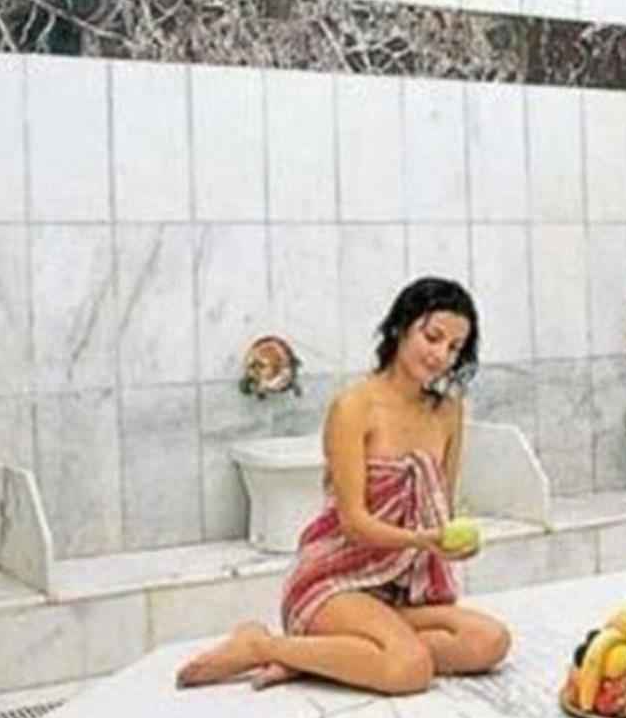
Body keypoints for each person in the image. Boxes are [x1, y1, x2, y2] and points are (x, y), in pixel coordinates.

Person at [175, 276, 512, 694]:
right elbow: (354, 523)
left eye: (454, 347)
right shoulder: (354, 407)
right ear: (400, 327)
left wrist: (452, 541)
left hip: (399, 587)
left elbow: (443, 504)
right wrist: (423, 540)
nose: (441, 354)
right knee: (410, 669)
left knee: (489, 641)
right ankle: (259, 645)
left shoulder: (449, 412)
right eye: (432, 337)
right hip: (337, 578)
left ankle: (327, 656)